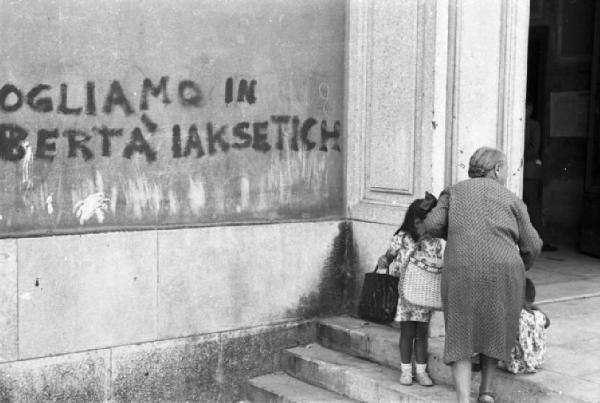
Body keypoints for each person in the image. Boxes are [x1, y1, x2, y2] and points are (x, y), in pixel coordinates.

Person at [424, 147, 542, 403]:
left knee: (460, 333)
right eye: (506, 169)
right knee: (495, 328)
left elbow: (431, 225)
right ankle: (486, 393)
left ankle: (464, 400)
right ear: (498, 169)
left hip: (461, 268)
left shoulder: (453, 191)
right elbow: (533, 245)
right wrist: (521, 266)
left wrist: (460, 235)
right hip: (505, 271)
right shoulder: (512, 199)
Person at [377, 195, 446, 387]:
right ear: (410, 222)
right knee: (407, 333)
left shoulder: (436, 243)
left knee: (422, 334)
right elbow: (389, 256)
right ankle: (406, 371)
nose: (422, 227)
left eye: (425, 222)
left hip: (425, 297)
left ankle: (422, 371)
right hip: (406, 295)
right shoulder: (402, 239)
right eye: (418, 223)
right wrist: (384, 260)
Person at [523, 99, 557, 252]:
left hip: (529, 171)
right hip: (514, 170)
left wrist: (516, 153)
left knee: (532, 207)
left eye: (527, 107)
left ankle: (537, 241)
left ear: (530, 108)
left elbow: (533, 149)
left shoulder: (533, 125)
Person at [499, 277, 550, 374]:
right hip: (537, 361)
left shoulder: (513, 315)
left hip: (515, 365)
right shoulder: (539, 315)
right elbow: (547, 323)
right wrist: (535, 308)